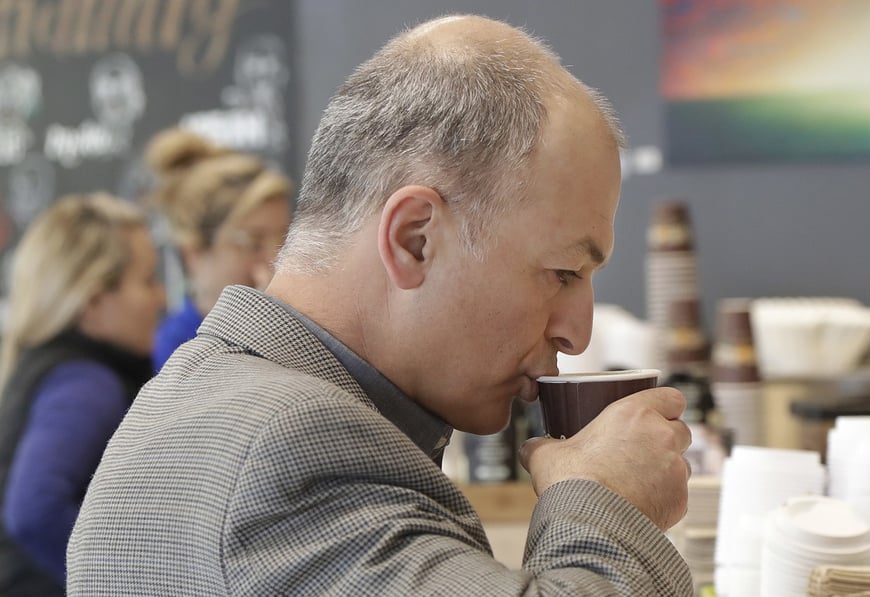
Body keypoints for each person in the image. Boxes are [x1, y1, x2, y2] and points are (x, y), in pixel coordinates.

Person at [68, 15, 694, 595]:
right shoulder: (292, 448)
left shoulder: (210, 395)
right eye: (562, 272)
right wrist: (606, 498)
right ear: (413, 239)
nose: (577, 333)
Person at [0, 193, 165, 595]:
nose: (162, 298)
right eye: (147, 280)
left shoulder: (48, 367)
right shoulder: (86, 385)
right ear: (92, 302)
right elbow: (34, 510)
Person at [145, 128, 291, 370]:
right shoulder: (177, 350)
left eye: (284, 239)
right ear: (194, 253)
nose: (276, 259)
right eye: (252, 243)